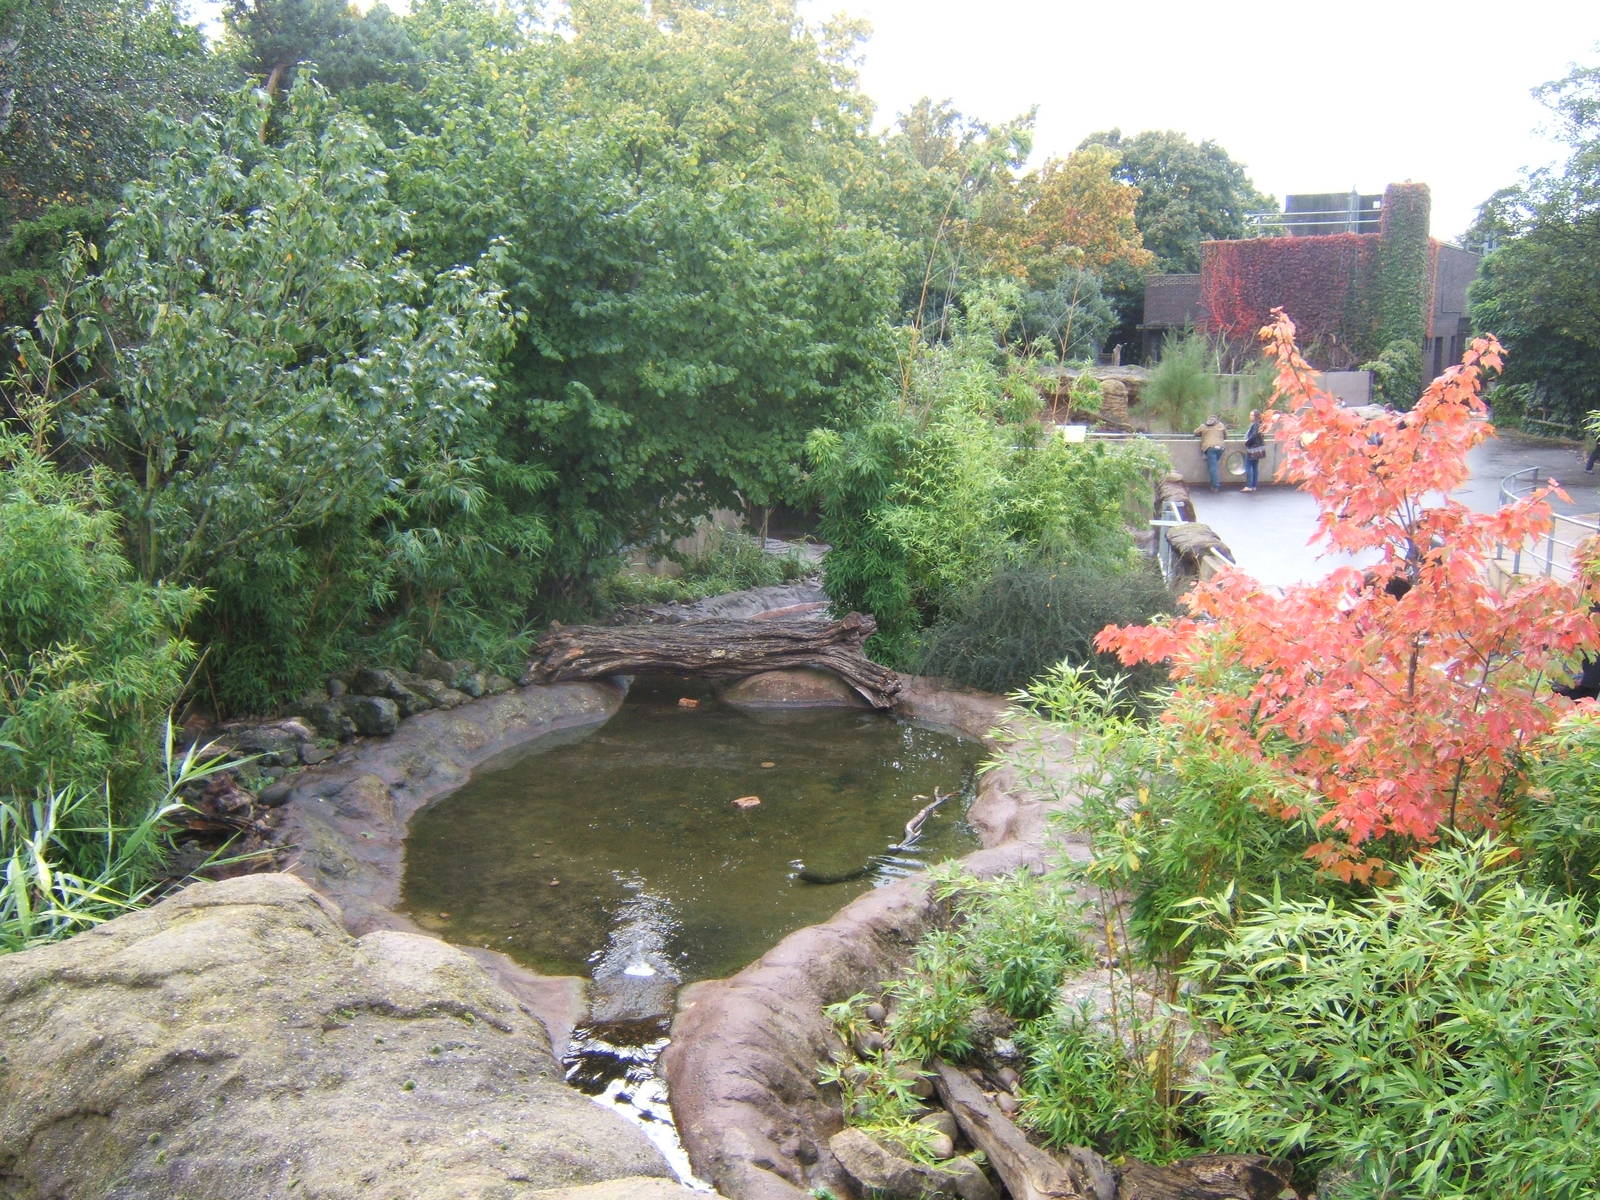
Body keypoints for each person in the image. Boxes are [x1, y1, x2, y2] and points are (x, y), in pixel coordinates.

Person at [1194, 415, 1227, 491]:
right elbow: (1225, 436)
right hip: (1221, 447)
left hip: (1210, 448)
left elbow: (1195, 432)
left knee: (1213, 467)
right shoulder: (1221, 425)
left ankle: (1215, 486)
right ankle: (1214, 483)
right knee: (1214, 465)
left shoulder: (1203, 426)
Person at [1243, 410, 1265, 492]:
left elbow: (1253, 436)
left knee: (1248, 466)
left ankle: (1249, 486)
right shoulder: (1260, 424)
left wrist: (1247, 442)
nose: (1250, 417)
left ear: (1255, 416)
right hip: (1258, 447)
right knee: (1255, 467)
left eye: (1251, 415)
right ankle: (1253, 485)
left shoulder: (1255, 425)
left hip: (1253, 447)